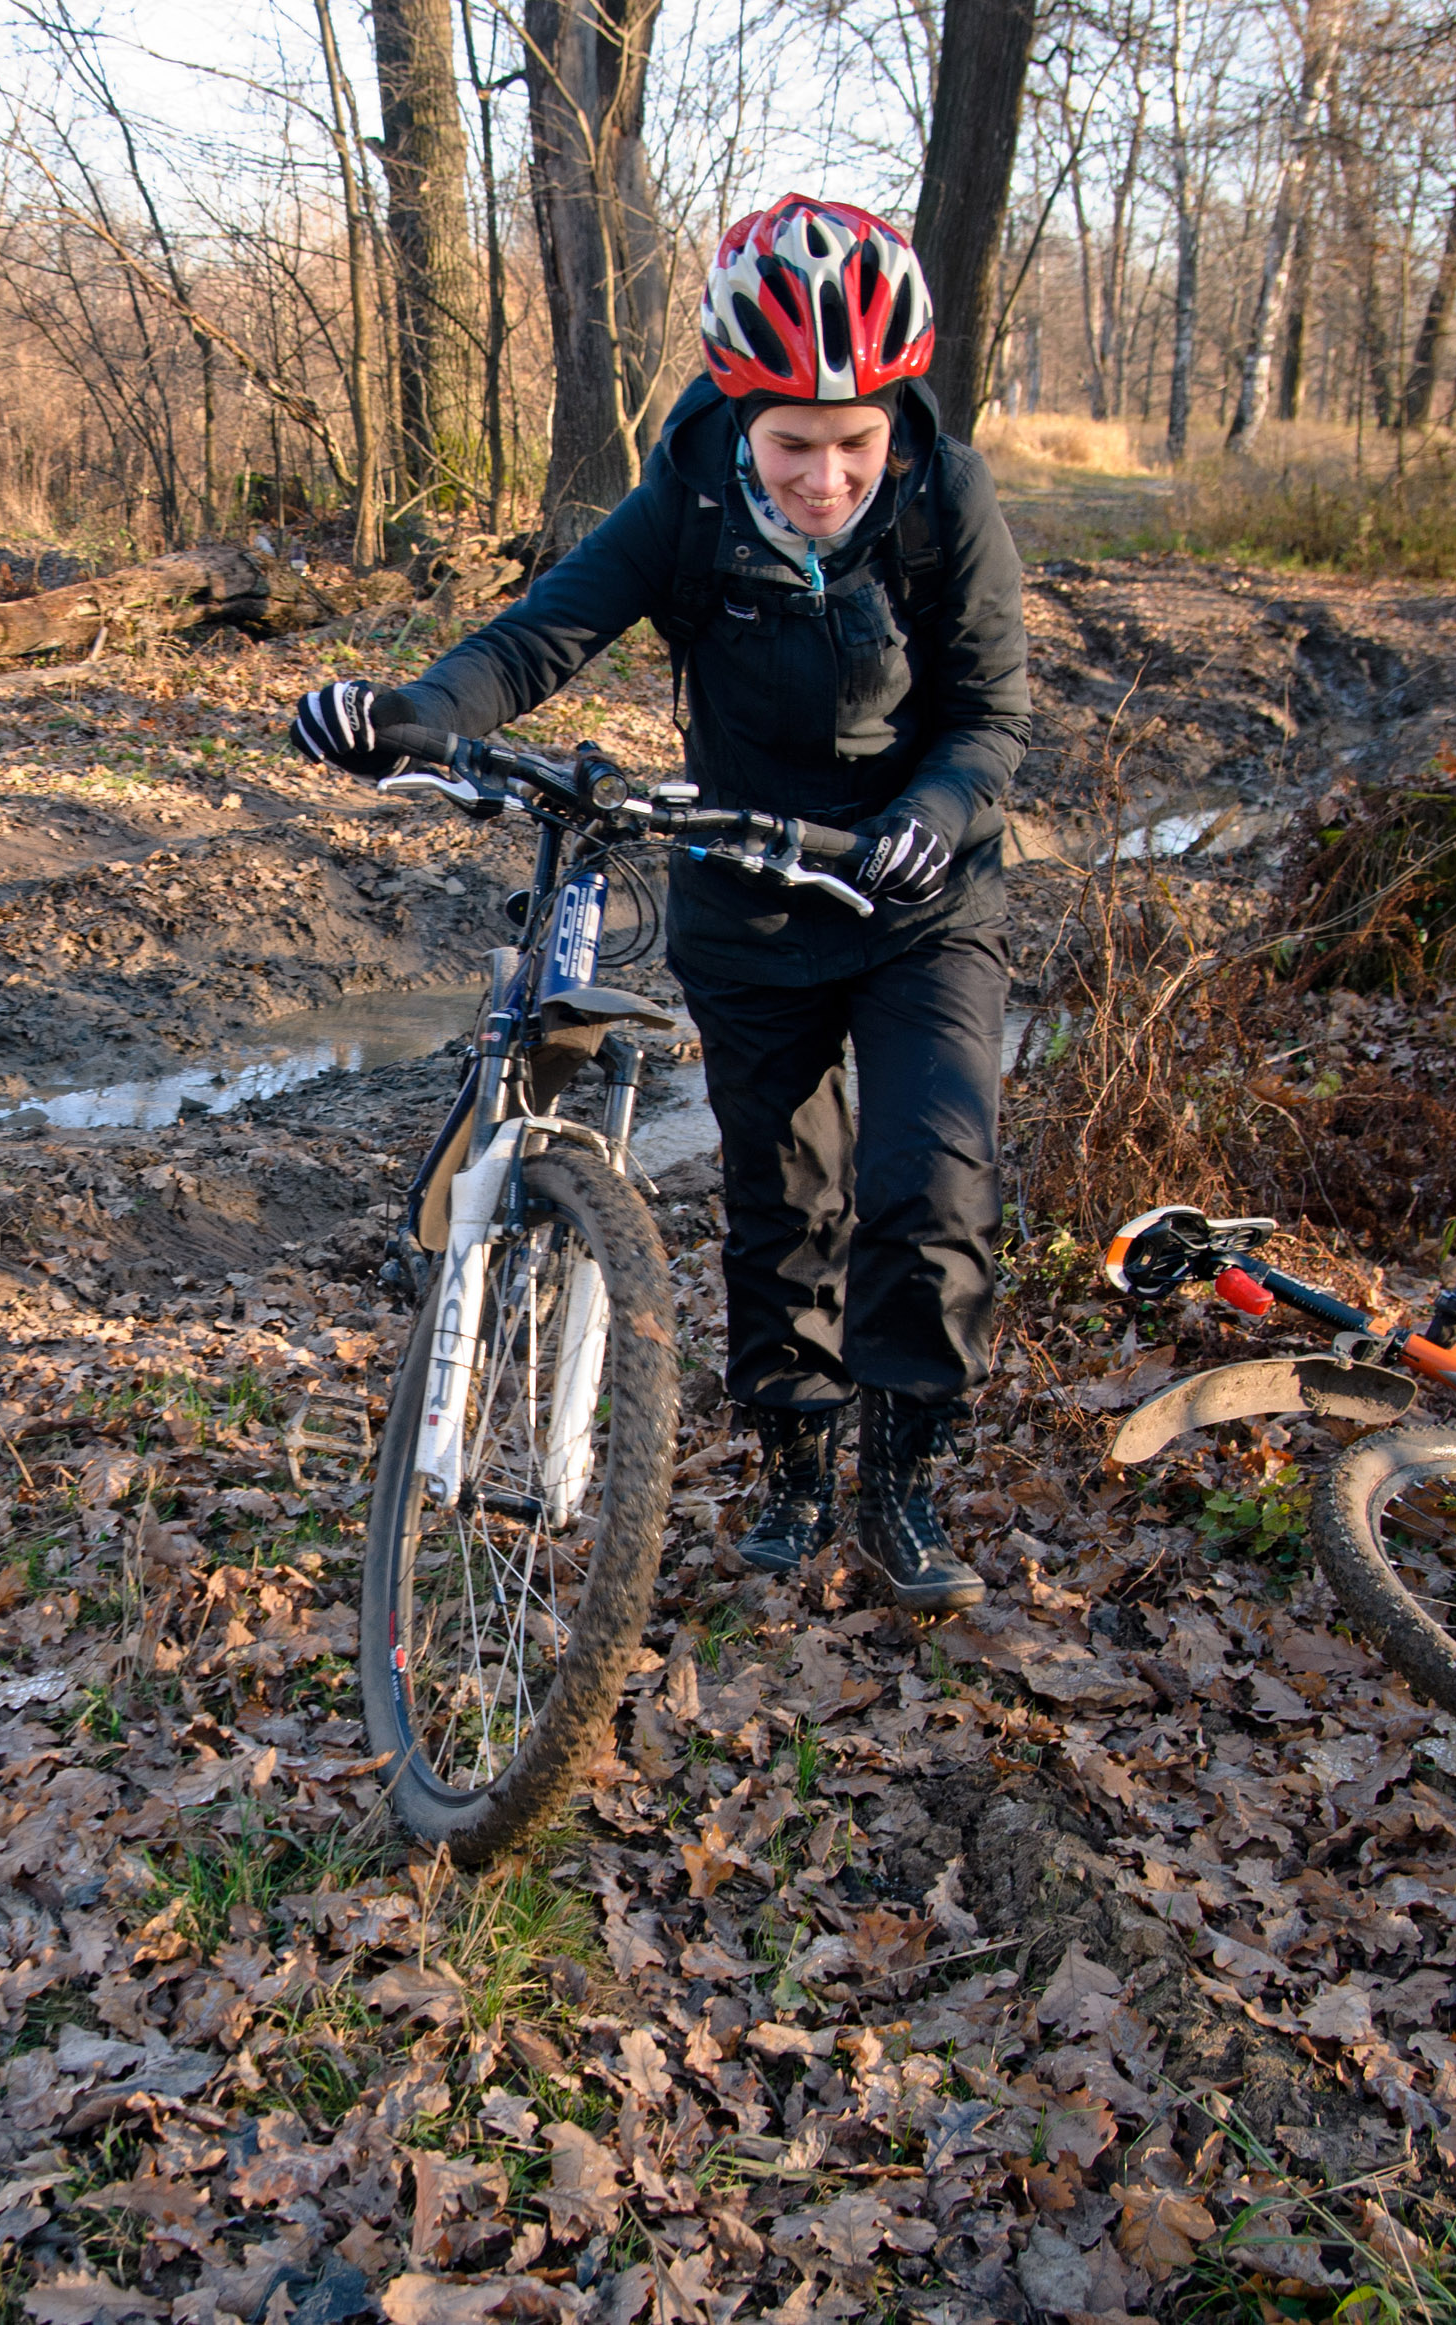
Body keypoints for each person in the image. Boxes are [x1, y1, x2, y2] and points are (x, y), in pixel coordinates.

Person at [288, 194, 1028, 1615]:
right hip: (749, 891)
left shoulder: (947, 498)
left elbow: (992, 714)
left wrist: (933, 819)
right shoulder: (687, 494)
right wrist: (411, 714)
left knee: (932, 1180)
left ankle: (903, 1476)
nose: (826, 477)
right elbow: (541, 636)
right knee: (783, 1193)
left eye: (855, 441)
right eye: (794, 444)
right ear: (741, 415)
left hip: (919, 898)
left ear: (895, 417)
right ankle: (796, 1465)